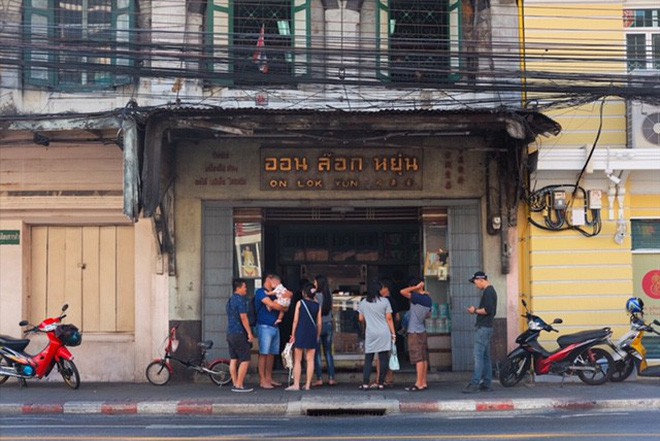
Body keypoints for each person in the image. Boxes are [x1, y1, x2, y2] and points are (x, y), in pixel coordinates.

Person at [463, 271, 497, 393]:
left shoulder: (488, 292)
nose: (475, 285)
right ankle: (487, 383)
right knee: (485, 357)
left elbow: (487, 310)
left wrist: (474, 310)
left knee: (478, 356)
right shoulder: (491, 291)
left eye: (475, 282)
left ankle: (475, 383)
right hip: (487, 327)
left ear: (481, 280)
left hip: (483, 328)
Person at [358, 283, 396, 390]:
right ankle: (380, 383)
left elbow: (360, 318)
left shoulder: (363, 303)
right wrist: (393, 333)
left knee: (368, 359)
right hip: (384, 332)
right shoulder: (385, 301)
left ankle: (365, 383)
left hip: (371, 333)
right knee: (383, 358)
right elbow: (389, 318)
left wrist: (369, 319)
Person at [255, 273, 290, 389]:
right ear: (269, 279)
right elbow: (273, 305)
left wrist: (279, 306)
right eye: (276, 282)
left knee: (272, 354)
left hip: (275, 326)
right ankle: (262, 380)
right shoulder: (261, 292)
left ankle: (269, 378)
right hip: (264, 326)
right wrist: (279, 306)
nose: (277, 285)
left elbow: (286, 307)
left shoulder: (276, 293)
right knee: (263, 353)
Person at [286, 283, 322, 391]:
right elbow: (319, 323)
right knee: (310, 360)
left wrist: (293, 334)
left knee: (298, 360)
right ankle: (307, 385)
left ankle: (296, 385)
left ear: (304, 293)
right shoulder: (317, 305)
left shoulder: (300, 303)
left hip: (300, 331)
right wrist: (318, 335)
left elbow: (295, 320)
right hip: (312, 332)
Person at [400, 277, 432, 391]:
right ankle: (423, 382)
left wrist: (416, 288)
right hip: (422, 330)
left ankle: (418, 383)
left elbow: (402, 291)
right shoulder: (428, 298)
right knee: (423, 357)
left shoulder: (416, 297)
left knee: (418, 358)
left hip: (414, 331)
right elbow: (428, 315)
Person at [226, 278, 255, 392]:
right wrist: (249, 333)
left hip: (230, 333)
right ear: (238, 288)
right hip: (239, 333)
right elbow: (243, 317)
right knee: (245, 359)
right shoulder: (240, 300)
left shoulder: (230, 300)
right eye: (244, 287)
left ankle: (235, 382)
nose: (246, 289)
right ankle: (239, 384)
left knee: (233, 359)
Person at [313, 274, 337, 387]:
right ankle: (332, 378)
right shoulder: (328, 295)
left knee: (317, 353)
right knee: (328, 352)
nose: (314, 284)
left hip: (318, 325)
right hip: (328, 324)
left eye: (315, 282)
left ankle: (319, 378)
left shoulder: (316, 296)